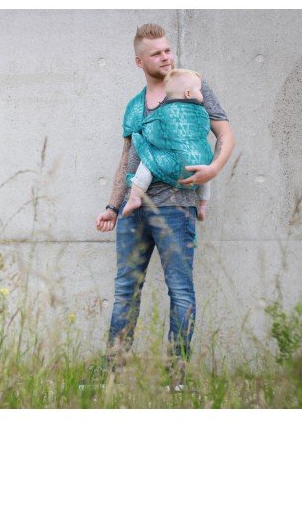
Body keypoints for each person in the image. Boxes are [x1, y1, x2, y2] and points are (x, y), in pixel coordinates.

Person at [95, 23, 235, 380]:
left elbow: (225, 134)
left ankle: (176, 377)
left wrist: (213, 169)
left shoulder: (193, 86)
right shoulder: (135, 106)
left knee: (180, 291)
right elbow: (127, 158)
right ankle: (112, 373)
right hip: (134, 210)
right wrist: (112, 206)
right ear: (140, 61)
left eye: (168, 50)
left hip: (176, 207)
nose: (166, 57)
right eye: (157, 53)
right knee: (125, 292)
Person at [122, 68, 212, 221]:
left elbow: (150, 128)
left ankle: (135, 197)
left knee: (148, 161)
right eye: (199, 90)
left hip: (169, 164)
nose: (202, 94)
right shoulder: (202, 112)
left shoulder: (162, 112)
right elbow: (204, 129)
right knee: (206, 172)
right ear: (188, 93)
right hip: (196, 163)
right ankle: (202, 204)